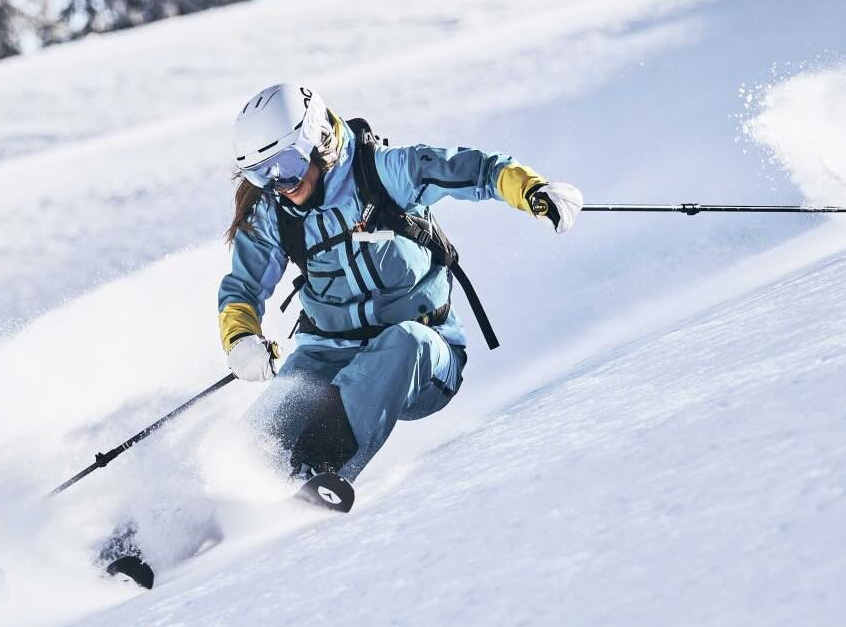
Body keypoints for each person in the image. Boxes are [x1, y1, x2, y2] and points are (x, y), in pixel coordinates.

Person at [219, 81, 582, 489]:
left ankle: (316, 466)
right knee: (267, 427)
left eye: (284, 165)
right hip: (328, 351)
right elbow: (242, 289)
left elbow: (475, 169)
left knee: (403, 343)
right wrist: (241, 340)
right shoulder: (275, 212)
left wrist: (533, 189)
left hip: (425, 356)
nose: (277, 183)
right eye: (260, 173)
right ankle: (182, 515)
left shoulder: (384, 173)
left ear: (317, 139)